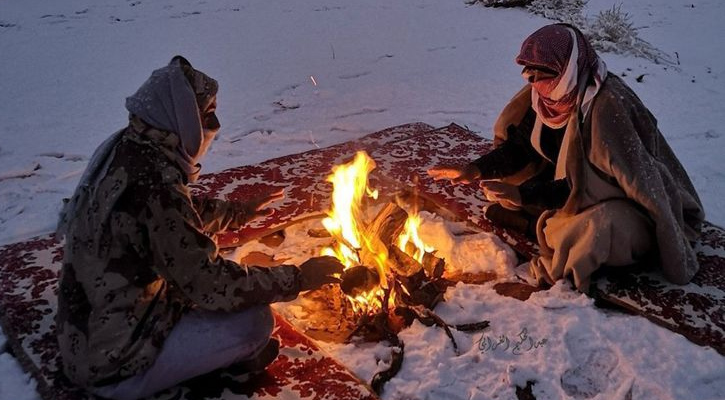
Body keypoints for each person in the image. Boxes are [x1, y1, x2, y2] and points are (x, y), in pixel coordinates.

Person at [55, 56, 344, 400]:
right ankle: (177, 375)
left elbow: (166, 223)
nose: (213, 125)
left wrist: (235, 214)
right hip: (114, 363)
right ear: (179, 115)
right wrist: (297, 278)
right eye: (205, 115)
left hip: (86, 331)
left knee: (206, 291)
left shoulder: (125, 147)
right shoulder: (154, 181)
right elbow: (209, 282)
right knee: (255, 323)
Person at [428, 24, 704, 292]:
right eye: (529, 73)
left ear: (568, 67)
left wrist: (523, 196)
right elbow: (521, 147)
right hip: (569, 184)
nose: (533, 81)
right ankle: (540, 222)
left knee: (595, 229)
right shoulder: (549, 95)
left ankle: (543, 231)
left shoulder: (606, 108)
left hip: (622, 201)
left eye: (541, 73)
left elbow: (588, 186)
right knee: (505, 181)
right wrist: (475, 169)